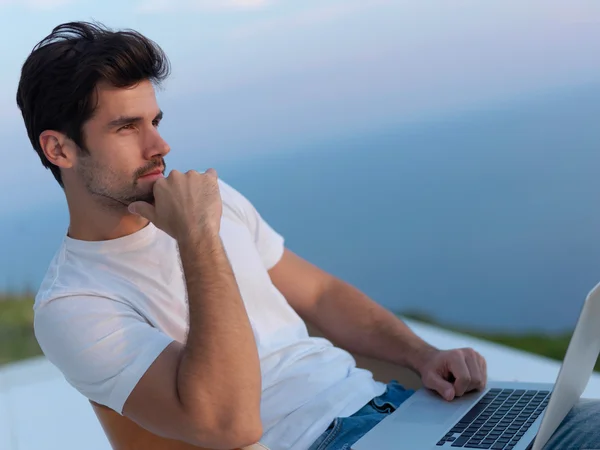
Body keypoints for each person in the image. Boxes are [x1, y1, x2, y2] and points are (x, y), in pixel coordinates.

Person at [16, 20, 600, 450]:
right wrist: (197, 239)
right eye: (126, 127)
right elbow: (230, 423)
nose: (160, 146)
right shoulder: (75, 304)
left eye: (155, 121)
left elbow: (319, 296)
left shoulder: (217, 203)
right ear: (60, 148)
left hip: (399, 412)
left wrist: (424, 357)